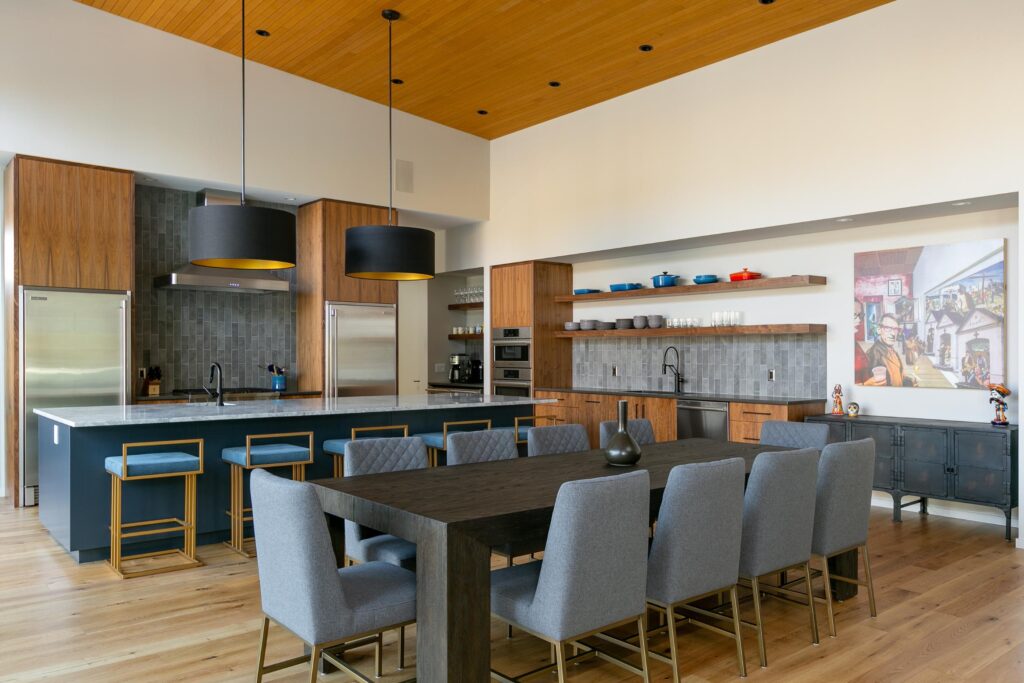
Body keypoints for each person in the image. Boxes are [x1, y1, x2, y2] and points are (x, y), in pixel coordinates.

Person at [864, 313, 917, 387]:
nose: (893, 333)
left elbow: (899, 377)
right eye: (888, 328)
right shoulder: (874, 354)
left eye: (895, 329)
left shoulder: (893, 351)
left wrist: (911, 383)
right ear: (879, 330)